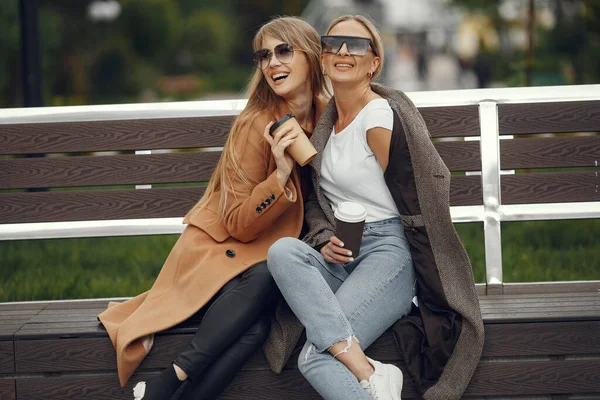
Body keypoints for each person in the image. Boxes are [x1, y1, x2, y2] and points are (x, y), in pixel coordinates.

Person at [97, 16, 329, 400]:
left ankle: (165, 386)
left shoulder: (327, 115)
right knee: (274, 268)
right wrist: (280, 175)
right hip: (221, 253)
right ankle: (169, 379)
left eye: (284, 51)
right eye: (264, 55)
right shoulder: (256, 124)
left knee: (255, 328)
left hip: (268, 260)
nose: (272, 63)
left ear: (312, 57)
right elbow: (238, 223)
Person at [267, 15, 484, 400]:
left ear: (374, 63)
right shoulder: (328, 125)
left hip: (388, 252)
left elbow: (415, 193)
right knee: (283, 251)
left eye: (358, 45)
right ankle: (371, 373)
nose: (344, 51)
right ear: (322, 58)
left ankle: (368, 373)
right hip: (344, 253)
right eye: (333, 43)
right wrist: (324, 240)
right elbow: (322, 200)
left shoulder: (378, 117)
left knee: (316, 357)